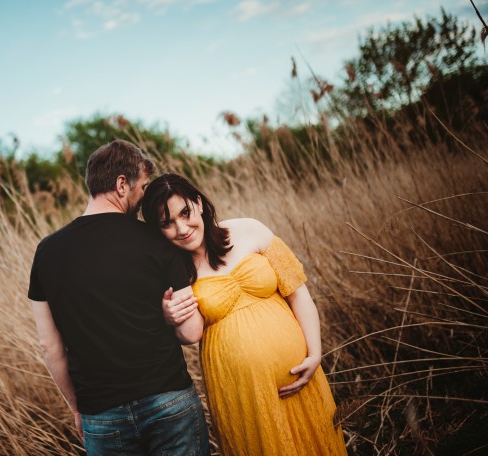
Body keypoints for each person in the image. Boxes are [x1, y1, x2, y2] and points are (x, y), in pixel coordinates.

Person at [141, 173, 347, 456]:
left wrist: (315, 354)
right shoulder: (176, 271)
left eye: (185, 213)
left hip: (301, 373)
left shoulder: (249, 230)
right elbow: (190, 334)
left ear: (198, 203)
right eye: (167, 224)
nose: (181, 228)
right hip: (242, 390)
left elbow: (298, 293)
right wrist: (169, 316)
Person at [27, 141, 209, 456]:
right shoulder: (155, 239)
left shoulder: (46, 253)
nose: (144, 196)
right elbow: (192, 332)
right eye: (143, 186)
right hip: (169, 401)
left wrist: (77, 408)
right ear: (121, 185)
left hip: (101, 416)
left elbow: (49, 346)